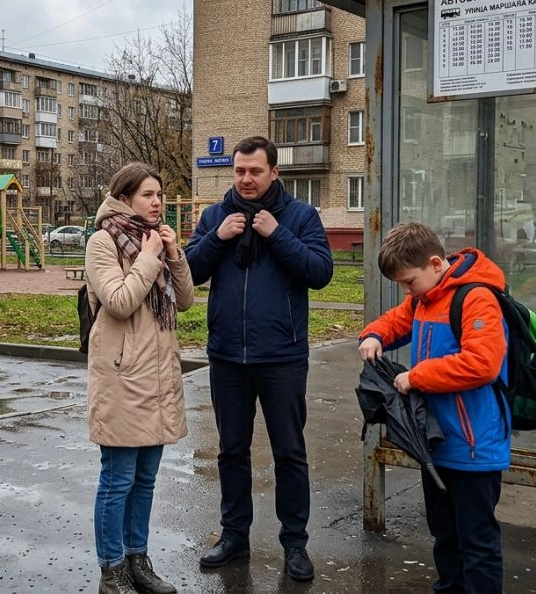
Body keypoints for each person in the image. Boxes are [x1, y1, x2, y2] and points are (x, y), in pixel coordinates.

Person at [184, 136, 334, 581]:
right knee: (231, 451)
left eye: (255, 171)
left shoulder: (301, 216)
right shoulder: (215, 216)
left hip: (282, 355)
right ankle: (234, 536)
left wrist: (276, 233)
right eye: (239, 171)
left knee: (289, 452)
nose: (246, 179)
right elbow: (188, 271)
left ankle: (295, 543)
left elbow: (320, 272)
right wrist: (218, 237)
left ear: (274, 172)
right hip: (228, 354)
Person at [358, 222, 510, 594]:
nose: (407, 291)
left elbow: (482, 364)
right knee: (445, 536)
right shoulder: (425, 298)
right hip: (437, 442)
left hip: (473, 446)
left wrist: (417, 377)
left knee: (476, 542)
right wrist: (374, 335)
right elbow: (396, 321)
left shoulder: (477, 298)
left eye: (409, 282)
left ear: (436, 264)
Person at [85, 162, 195, 594]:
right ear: (124, 198)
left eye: (159, 195)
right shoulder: (103, 241)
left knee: (145, 481)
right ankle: (111, 571)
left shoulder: (154, 240)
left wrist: (173, 254)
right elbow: (118, 301)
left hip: (158, 376)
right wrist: (149, 258)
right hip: (122, 378)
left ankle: (138, 560)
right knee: (118, 481)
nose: (157, 202)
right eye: (148, 194)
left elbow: (185, 301)